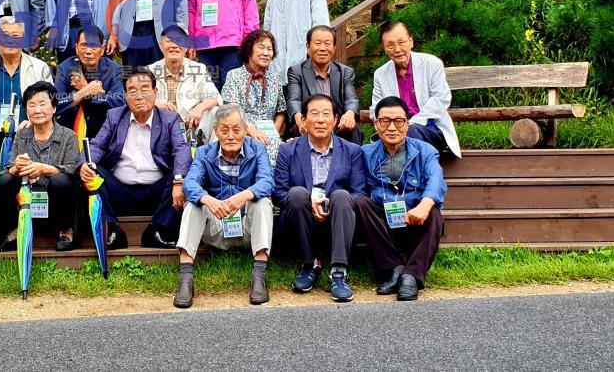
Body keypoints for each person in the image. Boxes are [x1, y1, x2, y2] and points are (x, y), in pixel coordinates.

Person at [174, 104, 274, 308]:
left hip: (247, 229)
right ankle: (185, 278)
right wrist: (207, 199)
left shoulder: (258, 150)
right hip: (216, 228)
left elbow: (267, 181)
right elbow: (190, 183)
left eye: (236, 130)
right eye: (225, 130)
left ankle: (259, 276)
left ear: (246, 130)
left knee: (263, 201)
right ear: (215, 131)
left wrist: (243, 196)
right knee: (193, 205)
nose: (230, 136)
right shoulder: (204, 153)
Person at [79, 69, 191, 249]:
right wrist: (85, 163)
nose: (139, 96)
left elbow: (182, 149)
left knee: (182, 172)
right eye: (132, 90)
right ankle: (112, 230)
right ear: (125, 95)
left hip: (157, 193)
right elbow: (97, 145)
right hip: (120, 192)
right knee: (92, 170)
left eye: (145, 89)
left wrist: (178, 181)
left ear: (155, 92)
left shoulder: (170, 119)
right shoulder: (114, 116)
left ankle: (158, 230)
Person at [273, 94, 366, 302]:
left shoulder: (353, 151)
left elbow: (360, 193)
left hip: (338, 220)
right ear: (303, 121)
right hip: (300, 218)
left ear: (335, 120)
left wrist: (330, 203)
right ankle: (309, 264)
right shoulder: (288, 150)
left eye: (326, 114)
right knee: (296, 193)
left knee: (342, 195)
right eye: (314, 114)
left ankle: (339, 272)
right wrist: (309, 201)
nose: (321, 120)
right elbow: (278, 193)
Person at [355, 96, 448, 301]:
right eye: (385, 121)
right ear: (376, 125)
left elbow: (436, 179)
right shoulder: (365, 153)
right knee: (360, 203)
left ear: (407, 123)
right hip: (382, 223)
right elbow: (358, 188)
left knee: (433, 212)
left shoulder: (425, 150)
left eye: (399, 121)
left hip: (415, 220)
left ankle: (411, 276)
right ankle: (393, 268)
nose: (392, 127)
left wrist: (424, 205)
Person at [0, 81, 80, 253]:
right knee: (5, 180)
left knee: (61, 180)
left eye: (42, 104)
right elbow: (9, 167)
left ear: (54, 108)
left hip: (56, 194)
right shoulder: (21, 134)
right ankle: (12, 232)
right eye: (31, 105)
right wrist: (17, 167)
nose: (37, 110)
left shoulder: (68, 135)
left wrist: (44, 169)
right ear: (26, 110)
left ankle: (65, 232)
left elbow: (71, 169)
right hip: (27, 191)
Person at [370, 21, 461, 158]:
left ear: (411, 41)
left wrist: (411, 123)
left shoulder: (432, 64)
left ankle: (406, 177)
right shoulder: (380, 74)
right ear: (384, 48)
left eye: (401, 42)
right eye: (390, 45)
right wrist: (391, 124)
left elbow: (441, 99)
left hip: (430, 129)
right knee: (375, 146)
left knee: (410, 135)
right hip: (394, 131)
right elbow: (376, 109)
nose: (397, 49)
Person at [0, 17, 54, 143]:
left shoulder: (39, 67)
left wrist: (33, 123)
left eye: (15, 36)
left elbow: (48, 102)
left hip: (31, 133)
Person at [285, 25, 362, 144]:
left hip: (336, 125)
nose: (322, 48)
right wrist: (299, 119)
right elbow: (293, 100)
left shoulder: (345, 72)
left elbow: (351, 99)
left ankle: (354, 162)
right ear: (308, 47)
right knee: (297, 129)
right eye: (317, 43)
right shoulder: (296, 71)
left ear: (334, 48)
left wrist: (350, 113)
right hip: (309, 123)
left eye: (327, 44)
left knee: (352, 128)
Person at [220, 29, 286, 165]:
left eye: (270, 49)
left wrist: (275, 131)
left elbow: (281, 111)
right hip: (242, 130)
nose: (266, 53)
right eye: (261, 47)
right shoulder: (234, 75)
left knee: (282, 152)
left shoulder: (274, 79)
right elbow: (231, 110)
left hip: (269, 131)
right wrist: (251, 131)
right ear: (249, 50)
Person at [147, 25, 221, 144]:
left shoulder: (199, 69)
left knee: (215, 111)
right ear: (161, 46)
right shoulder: (150, 70)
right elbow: (137, 98)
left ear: (186, 47)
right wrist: (156, 104)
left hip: (192, 125)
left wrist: (199, 108)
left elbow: (214, 97)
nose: (174, 45)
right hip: (160, 125)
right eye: (169, 41)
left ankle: (210, 156)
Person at [54, 26, 124, 141]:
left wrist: (88, 90)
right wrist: (84, 92)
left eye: (94, 46)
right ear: (76, 48)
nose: (88, 51)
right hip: (68, 133)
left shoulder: (113, 69)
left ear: (102, 49)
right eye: (84, 46)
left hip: (103, 132)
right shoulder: (65, 68)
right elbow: (55, 105)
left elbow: (120, 103)